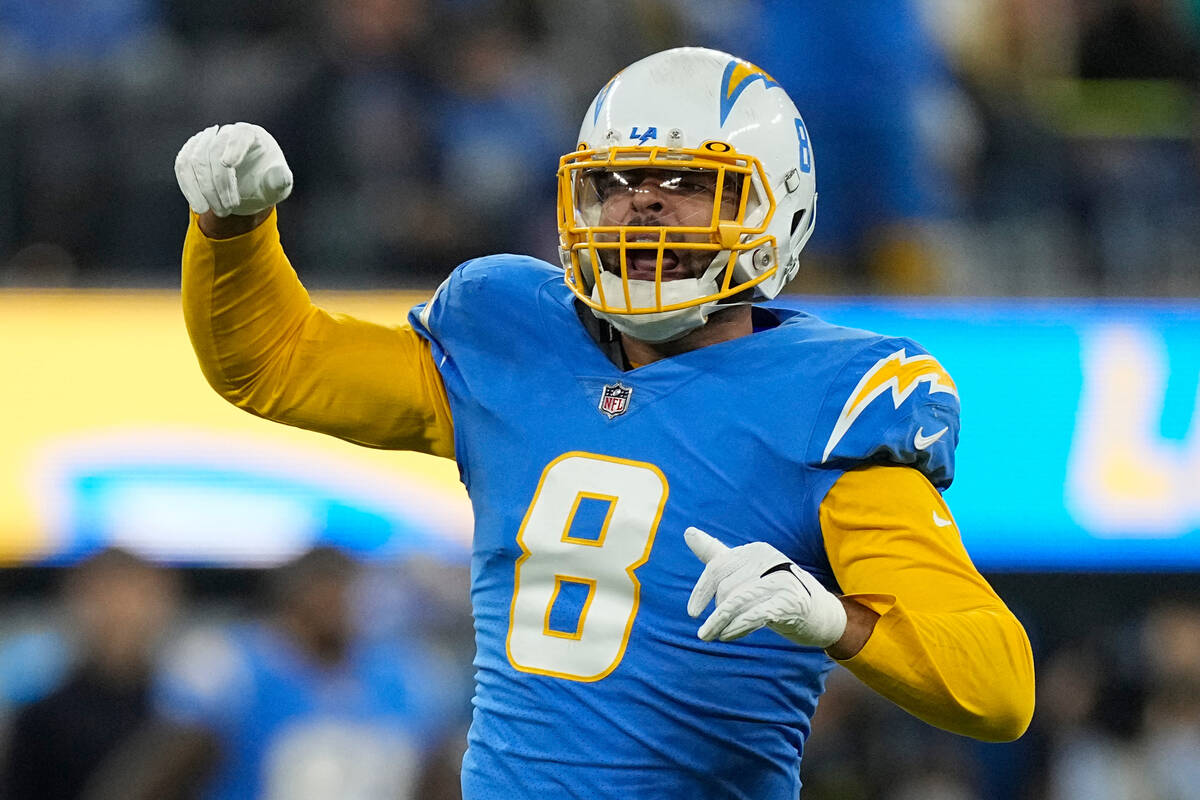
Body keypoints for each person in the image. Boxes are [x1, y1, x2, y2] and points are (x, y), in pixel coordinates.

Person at [174, 46, 1035, 799]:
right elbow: (276, 363)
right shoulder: (509, 331)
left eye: (690, 183)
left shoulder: (830, 397)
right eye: (616, 182)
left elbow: (998, 688)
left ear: (780, 212)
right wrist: (234, 230)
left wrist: (829, 620)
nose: (643, 204)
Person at [102, 546, 465, 800]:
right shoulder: (235, 668)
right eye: (324, 591)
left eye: (344, 592)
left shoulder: (406, 675)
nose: (337, 605)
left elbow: (438, 781)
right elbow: (161, 775)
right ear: (291, 601)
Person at [1, 547, 179, 800]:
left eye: (134, 597)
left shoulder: (185, 712)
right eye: (104, 597)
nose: (120, 612)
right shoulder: (42, 720)